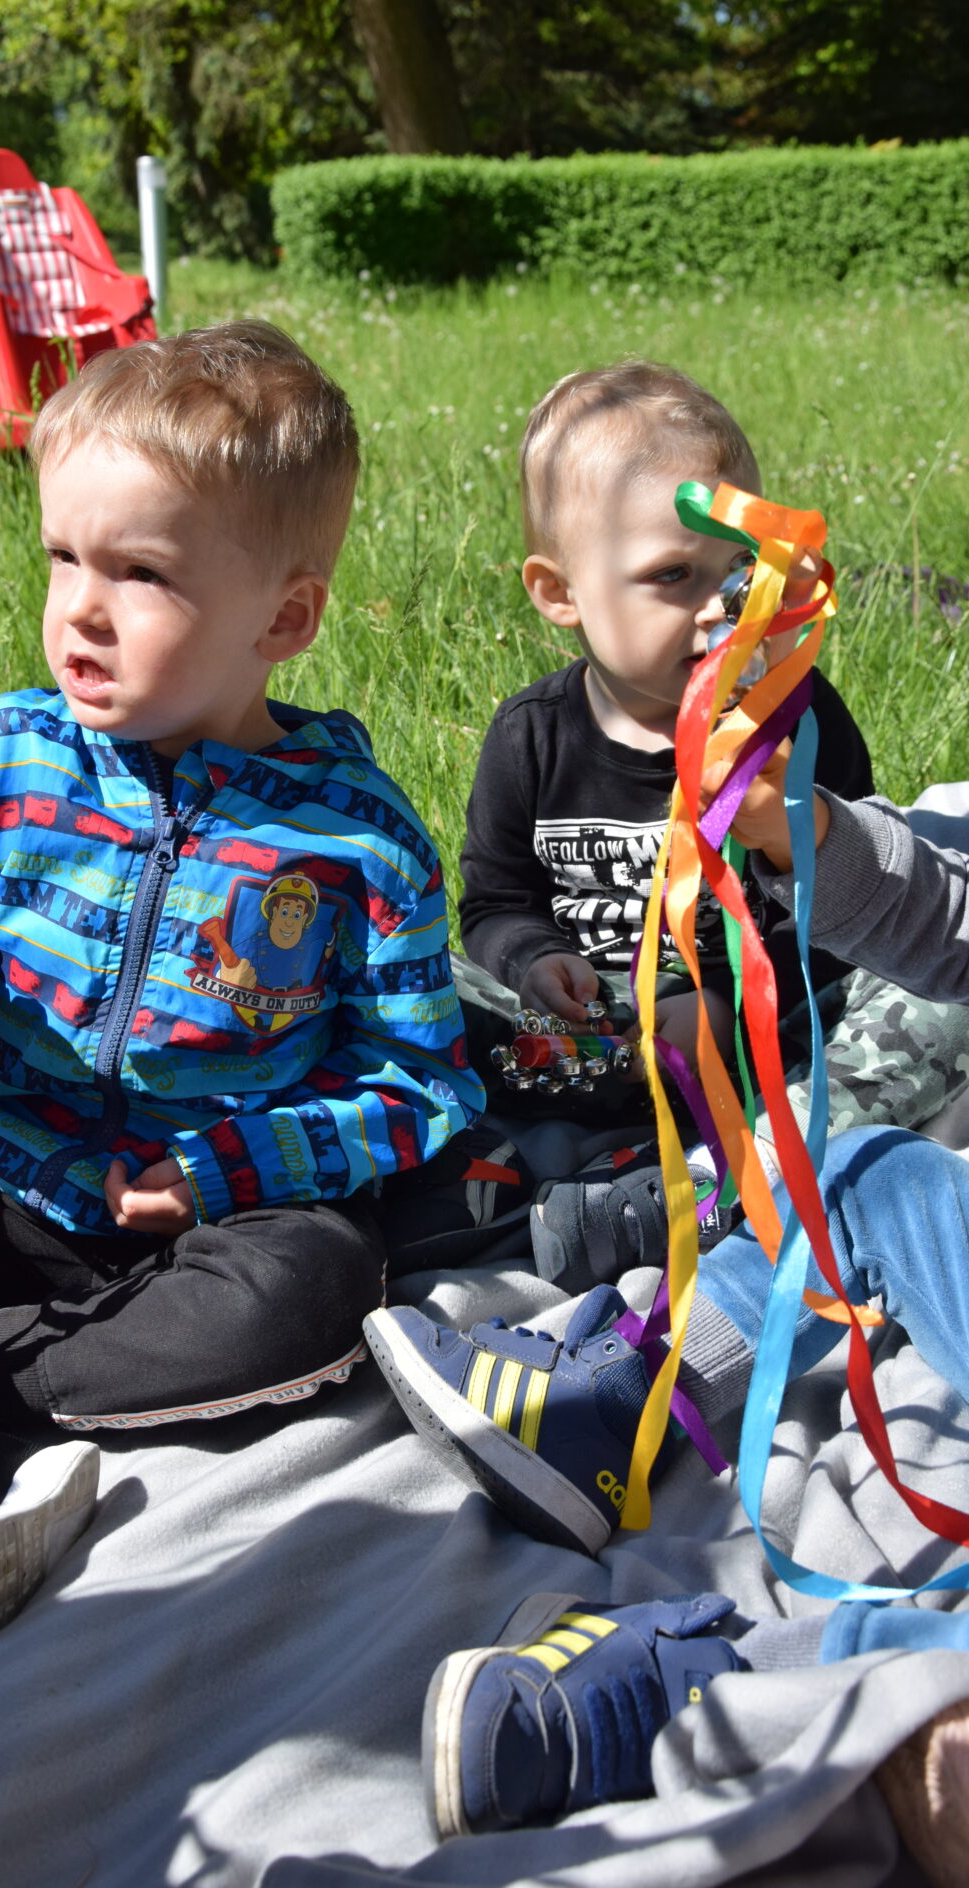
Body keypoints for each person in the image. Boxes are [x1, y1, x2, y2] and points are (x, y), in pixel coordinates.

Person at [0, 320, 486, 1677]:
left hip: (202, 1232)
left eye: (141, 573)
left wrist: (237, 1165)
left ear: (284, 620)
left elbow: (422, 1080)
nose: (81, 606)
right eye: (63, 557)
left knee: (317, 1288)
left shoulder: (355, 840)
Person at [366, 777, 969, 1881]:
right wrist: (808, 831)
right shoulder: (537, 738)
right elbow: (944, 928)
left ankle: (738, 1679)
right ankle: (615, 1406)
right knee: (867, 1176)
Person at [456, 358, 969, 1283]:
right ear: (560, 593)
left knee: (938, 1006)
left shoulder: (797, 721)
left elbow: (849, 918)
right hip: (592, 1034)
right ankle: (501, 1174)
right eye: (672, 576)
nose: (721, 612)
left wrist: (731, 1005)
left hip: (777, 1040)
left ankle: (724, 1183)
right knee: (416, 984)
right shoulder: (531, 738)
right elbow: (493, 902)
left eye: (742, 573)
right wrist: (534, 961)